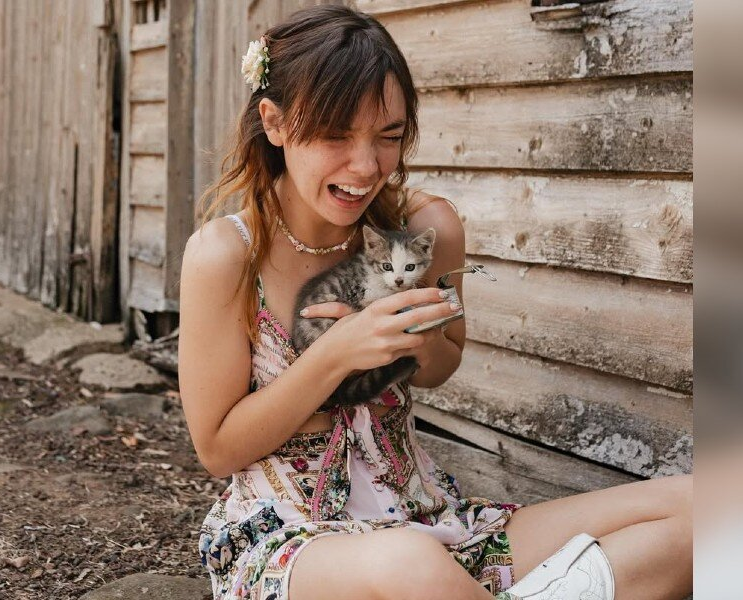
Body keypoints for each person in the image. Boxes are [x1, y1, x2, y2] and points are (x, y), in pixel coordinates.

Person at [177, 6, 691, 600]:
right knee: (411, 567)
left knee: (699, 511)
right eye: (335, 135)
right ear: (275, 123)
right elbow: (217, 448)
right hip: (291, 541)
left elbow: (444, 364)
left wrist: (419, 341)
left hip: (429, 516)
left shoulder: (425, 227)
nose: (366, 166)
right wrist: (336, 354)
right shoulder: (225, 255)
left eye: (389, 136)